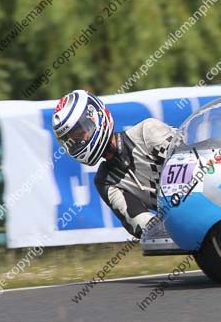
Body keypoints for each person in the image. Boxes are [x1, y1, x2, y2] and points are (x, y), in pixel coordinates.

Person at [51, 89, 184, 239]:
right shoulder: (104, 181)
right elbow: (143, 224)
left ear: (94, 118)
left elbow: (193, 160)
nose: (78, 143)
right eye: (72, 141)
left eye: (79, 134)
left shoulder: (147, 131)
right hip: (184, 221)